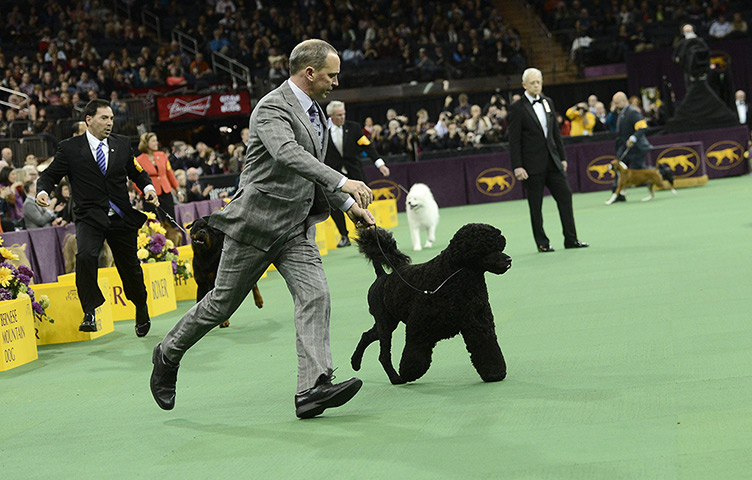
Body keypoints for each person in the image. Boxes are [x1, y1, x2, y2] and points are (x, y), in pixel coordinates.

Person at [150, 39, 376, 418]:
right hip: (255, 226)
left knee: (315, 296)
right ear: (309, 72)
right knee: (220, 304)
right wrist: (344, 183)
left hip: (295, 229)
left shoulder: (318, 113)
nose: (336, 82)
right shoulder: (271, 108)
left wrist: (350, 207)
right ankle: (167, 352)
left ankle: (312, 388)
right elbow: (289, 155)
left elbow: (311, 176)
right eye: (331, 75)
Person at [36, 99, 160, 337]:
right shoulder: (69, 148)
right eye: (104, 118)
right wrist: (42, 192)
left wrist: (149, 189)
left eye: (111, 118)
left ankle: (140, 305)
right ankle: (90, 310)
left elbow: (139, 173)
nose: (109, 123)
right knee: (85, 256)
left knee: (130, 266)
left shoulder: (122, 145)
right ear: (89, 120)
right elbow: (49, 176)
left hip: (120, 216)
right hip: (89, 217)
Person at [509, 68, 588, 253]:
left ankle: (571, 239)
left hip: (553, 162)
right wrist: (517, 166)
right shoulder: (517, 108)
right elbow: (514, 140)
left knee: (566, 196)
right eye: (533, 83)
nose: (536, 85)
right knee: (536, 206)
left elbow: (555, 134)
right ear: (524, 85)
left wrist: (562, 157)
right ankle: (542, 242)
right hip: (531, 165)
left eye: (539, 82)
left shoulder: (548, 102)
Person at [325, 100, 389, 247]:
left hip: (355, 174)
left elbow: (368, 146)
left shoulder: (353, 128)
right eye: (339, 115)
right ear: (330, 116)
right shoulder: (322, 131)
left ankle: (366, 235)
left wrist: (380, 164)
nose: (342, 117)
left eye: (344, 114)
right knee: (334, 205)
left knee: (361, 204)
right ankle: (344, 236)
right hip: (334, 176)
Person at [611, 91, 653, 202]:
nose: (615, 105)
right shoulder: (621, 113)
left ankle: (652, 191)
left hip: (636, 149)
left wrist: (633, 138)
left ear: (624, 101)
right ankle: (617, 195)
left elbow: (643, 127)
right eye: (614, 103)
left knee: (643, 173)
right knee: (618, 171)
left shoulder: (633, 112)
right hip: (624, 148)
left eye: (617, 103)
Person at [135, 132, 180, 221]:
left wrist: (178, 190)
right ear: (146, 144)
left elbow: (170, 173)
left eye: (156, 141)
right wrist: (143, 193)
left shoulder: (162, 155)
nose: (156, 143)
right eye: (153, 141)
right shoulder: (138, 160)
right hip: (150, 195)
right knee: (154, 221)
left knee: (170, 220)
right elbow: (135, 179)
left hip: (166, 192)